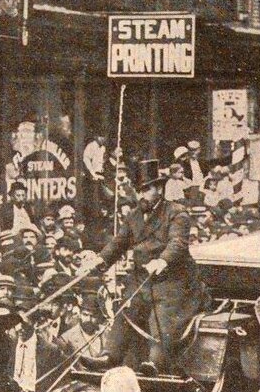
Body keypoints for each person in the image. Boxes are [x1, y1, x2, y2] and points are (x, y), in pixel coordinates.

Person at [82, 159, 210, 376]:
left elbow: (177, 243)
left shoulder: (177, 212)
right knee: (125, 308)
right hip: (142, 279)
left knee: (162, 311)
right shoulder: (133, 216)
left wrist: (162, 261)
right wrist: (100, 260)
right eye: (139, 191)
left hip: (174, 281)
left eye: (146, 190)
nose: (141, 195)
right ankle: (109, 355)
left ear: (159, 189)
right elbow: (118, 243)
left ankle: (155, 361)